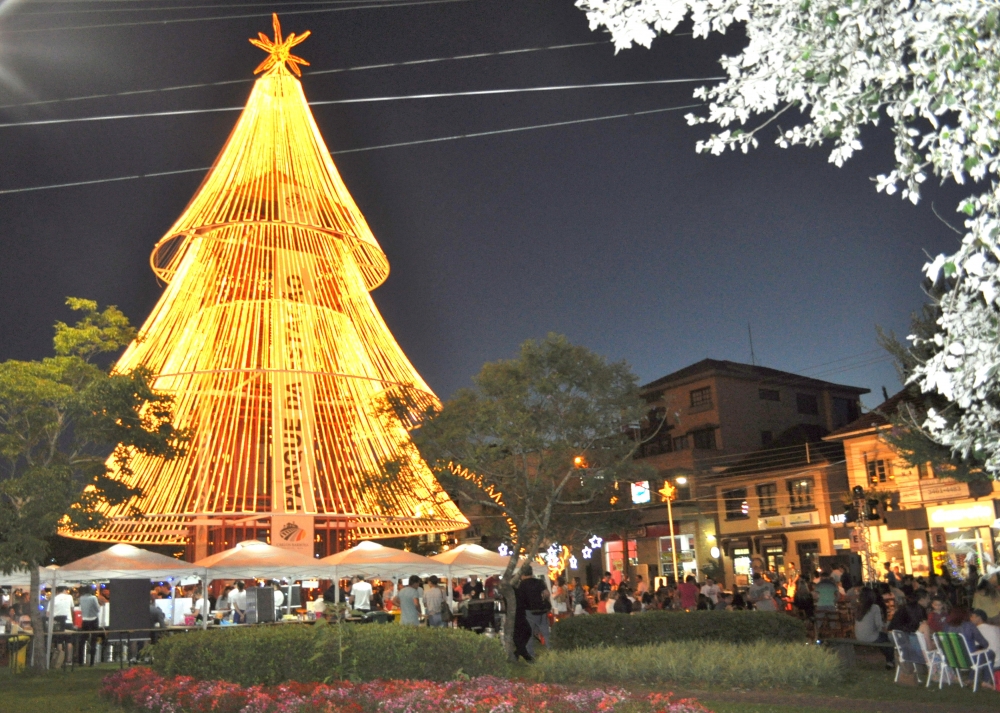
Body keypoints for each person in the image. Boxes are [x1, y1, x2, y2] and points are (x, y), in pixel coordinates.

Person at [854, 588, 894, 668]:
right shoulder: (875, 607)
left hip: (858, 636)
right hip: (870, 636)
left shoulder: (859, 607)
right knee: (887, 639)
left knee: (882, 639)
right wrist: (886, 630)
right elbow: (879, 625)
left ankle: (890, 661)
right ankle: (890, 661)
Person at [517, 566, 551, 657]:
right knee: (546, 632)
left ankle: (531, 654)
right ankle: (551, 651)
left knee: (529, 633)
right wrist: (543, 599)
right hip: (542, 610)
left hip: (529, 612)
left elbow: (520, 599)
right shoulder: (539, 582)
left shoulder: (522, 584)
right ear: (531, 572)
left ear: (523, 574)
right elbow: (547, 593)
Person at [79, 585, 101, 665]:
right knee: (93, 641)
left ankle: (80, 661)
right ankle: (92, 662)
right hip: (93, 619)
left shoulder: (81, 598)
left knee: (82, 641)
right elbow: (97, 609)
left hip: (84, 620)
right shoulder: (93, 598)